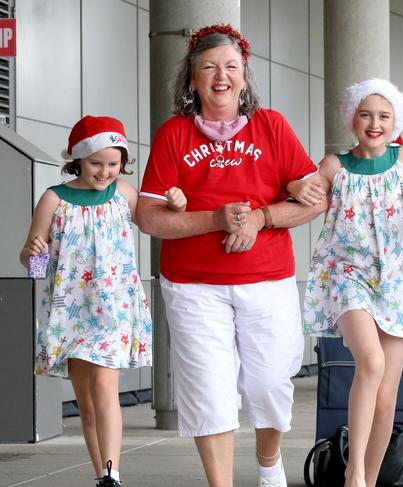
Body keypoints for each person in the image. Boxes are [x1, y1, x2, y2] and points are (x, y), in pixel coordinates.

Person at [136, 24, 322, 487]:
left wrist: (260, 218)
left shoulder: (272, 126)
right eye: (208, 68)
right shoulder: (174, 134)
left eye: (231, 67)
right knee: (209, 393)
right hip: (193, 286)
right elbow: (149, 217)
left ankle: (267, 463)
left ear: (245, 75)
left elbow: (315, 199)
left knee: (269, 384)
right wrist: (215, 219)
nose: (221, 76)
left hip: (268, 279)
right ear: (192, 80)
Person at [291, 78, 403, 487]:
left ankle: (369, 480)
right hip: (348, 276)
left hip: (400, 280)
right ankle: (353, 472)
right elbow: (301, 195)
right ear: (352, 118)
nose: (374, 123)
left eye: (384, 116)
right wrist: (296, 188)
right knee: (369, 363)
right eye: (366, 114)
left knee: (388, 392)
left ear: (395, 121)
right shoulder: (334, 165)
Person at [19, 115, 185, 487]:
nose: (105, 172)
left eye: (114, 164)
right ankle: (102, 476)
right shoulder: (53, 199)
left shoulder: (124, 193)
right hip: (70, 311)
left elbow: (155, 222)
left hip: (114, 309)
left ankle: (113, 475)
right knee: (88, 405)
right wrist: (35, 252)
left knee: (105, 388)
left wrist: (176, 202)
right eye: (96, 163)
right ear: (77, 158)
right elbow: (34, 267)